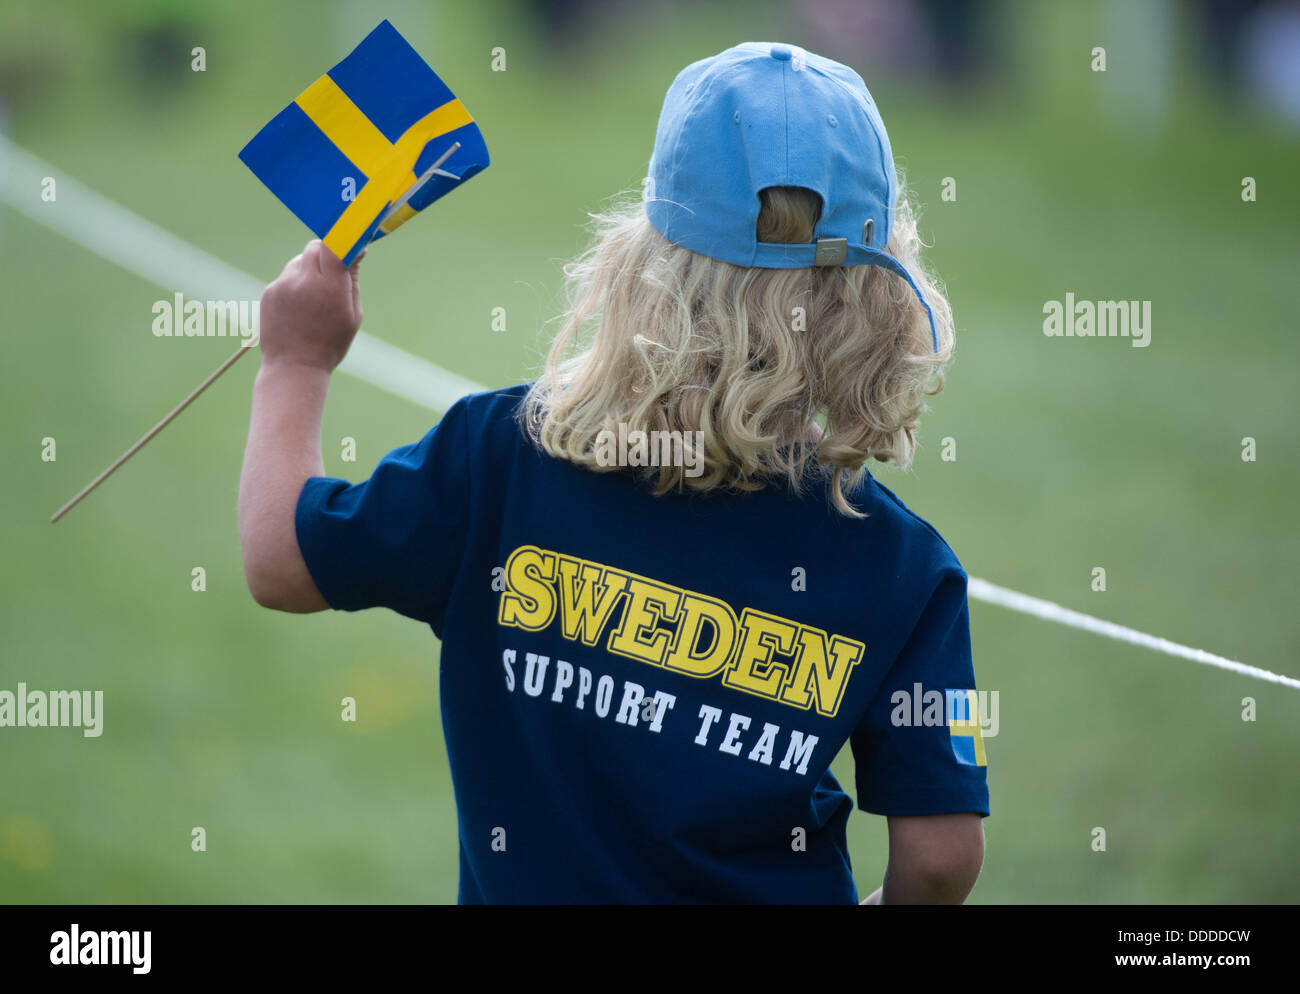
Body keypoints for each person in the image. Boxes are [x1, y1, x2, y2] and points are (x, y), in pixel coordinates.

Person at [238, 42, 989, 904]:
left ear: (645, 265)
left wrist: (293, 364)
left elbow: (279, 559)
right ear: (884, 294)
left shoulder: (504, 456)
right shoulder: (905, 565)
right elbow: (939, 860)